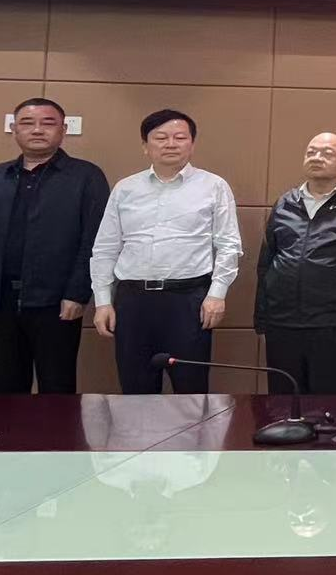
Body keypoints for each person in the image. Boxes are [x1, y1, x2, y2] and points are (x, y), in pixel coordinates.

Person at [0, 97, 109, 394]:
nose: (37, 130)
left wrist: (78, 293)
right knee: (1, 389)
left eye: (48, 123)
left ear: (63, 130)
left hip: (57, 304)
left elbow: (94, 241)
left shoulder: (86, 177)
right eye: (27, 123)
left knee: (57, 389)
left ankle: (55, 430)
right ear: (14, 129)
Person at [90, 109, 242, 395]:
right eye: (160, 138)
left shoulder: (214, 186)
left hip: (189, 300)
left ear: (192, 144)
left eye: (179, 137)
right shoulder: (125, 188)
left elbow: (228, 245)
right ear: (145, 146)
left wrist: (217, 295)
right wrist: (102, 302)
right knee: (136, 391)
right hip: (133, 301)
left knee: (191, 391)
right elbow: (105, 248)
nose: (170, 144)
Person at [253, 132, 336, 394]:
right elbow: (266, 264)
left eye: (327, 153)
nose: (317, 158)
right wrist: (262, 317)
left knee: (330, 406)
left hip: (335, 326)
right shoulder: (285, 203)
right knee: (282, 404)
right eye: (311, 152)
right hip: (282, 324)